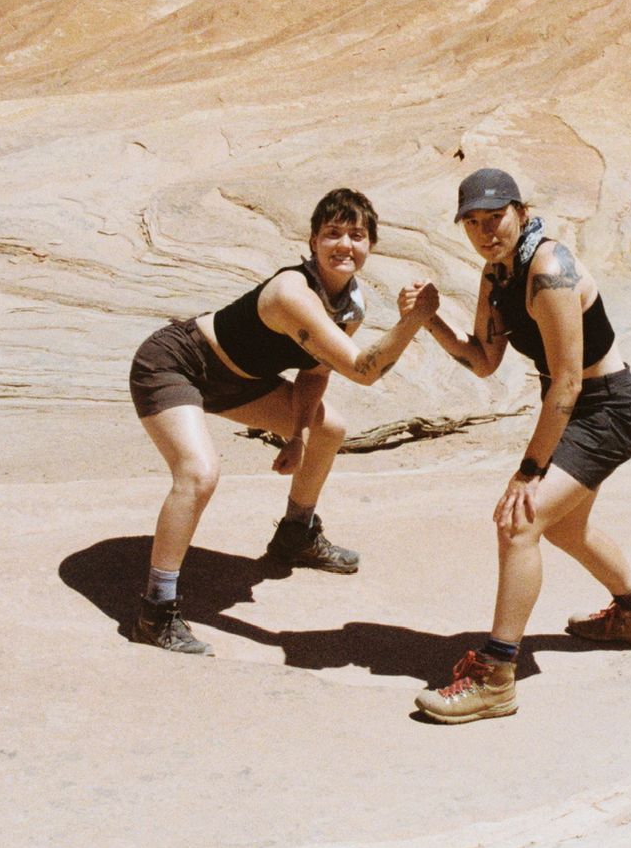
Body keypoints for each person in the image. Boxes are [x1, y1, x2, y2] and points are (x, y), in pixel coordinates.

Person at [127, 187, 437, 654]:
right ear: (313, 241)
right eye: (333, 233)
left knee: (328, 427)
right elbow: (363, 370)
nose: (345, 245)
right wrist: (411, 323)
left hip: (240, 380)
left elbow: (313, 374)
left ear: (370, 246)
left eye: (357, 235)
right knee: (199, 473)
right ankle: (156, 609)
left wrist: (296, 435)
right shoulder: (290, 291)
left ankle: (296, 534)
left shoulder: (350, 306)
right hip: (177, 363)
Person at [413, 168, 631, 722]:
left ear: (520, 211)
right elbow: (483, 360)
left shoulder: (548, 268)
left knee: (518, 521)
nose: (484, 231)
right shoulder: (495, 275)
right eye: (472, 223)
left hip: (607, 410)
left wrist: (529, 471)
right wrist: (429, 322)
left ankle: (495, 676)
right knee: (566, 526)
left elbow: (569, 382)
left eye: (494, 217)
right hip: (578, 408)